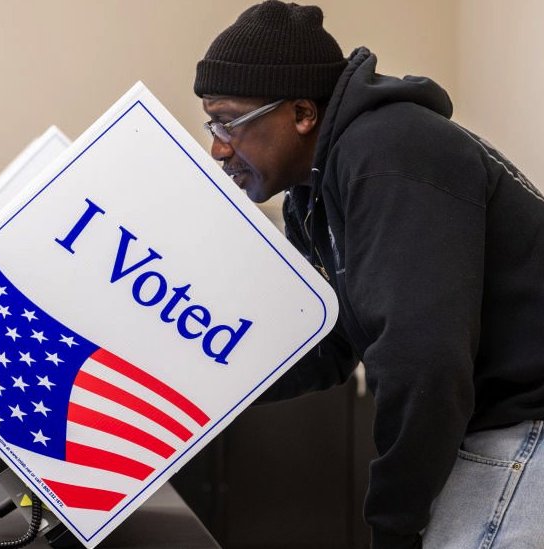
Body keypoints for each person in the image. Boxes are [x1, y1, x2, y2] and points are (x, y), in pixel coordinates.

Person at [193, 1, 544, 548]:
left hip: (527, 421)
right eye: (210, 123)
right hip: (493, 423)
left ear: (303, 113)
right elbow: (328, 342)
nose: (217, 147)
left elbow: (422, 356)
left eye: (228, 121)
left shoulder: (390, 152)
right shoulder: (313, 196)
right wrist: (197, 385)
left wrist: (394, 523)